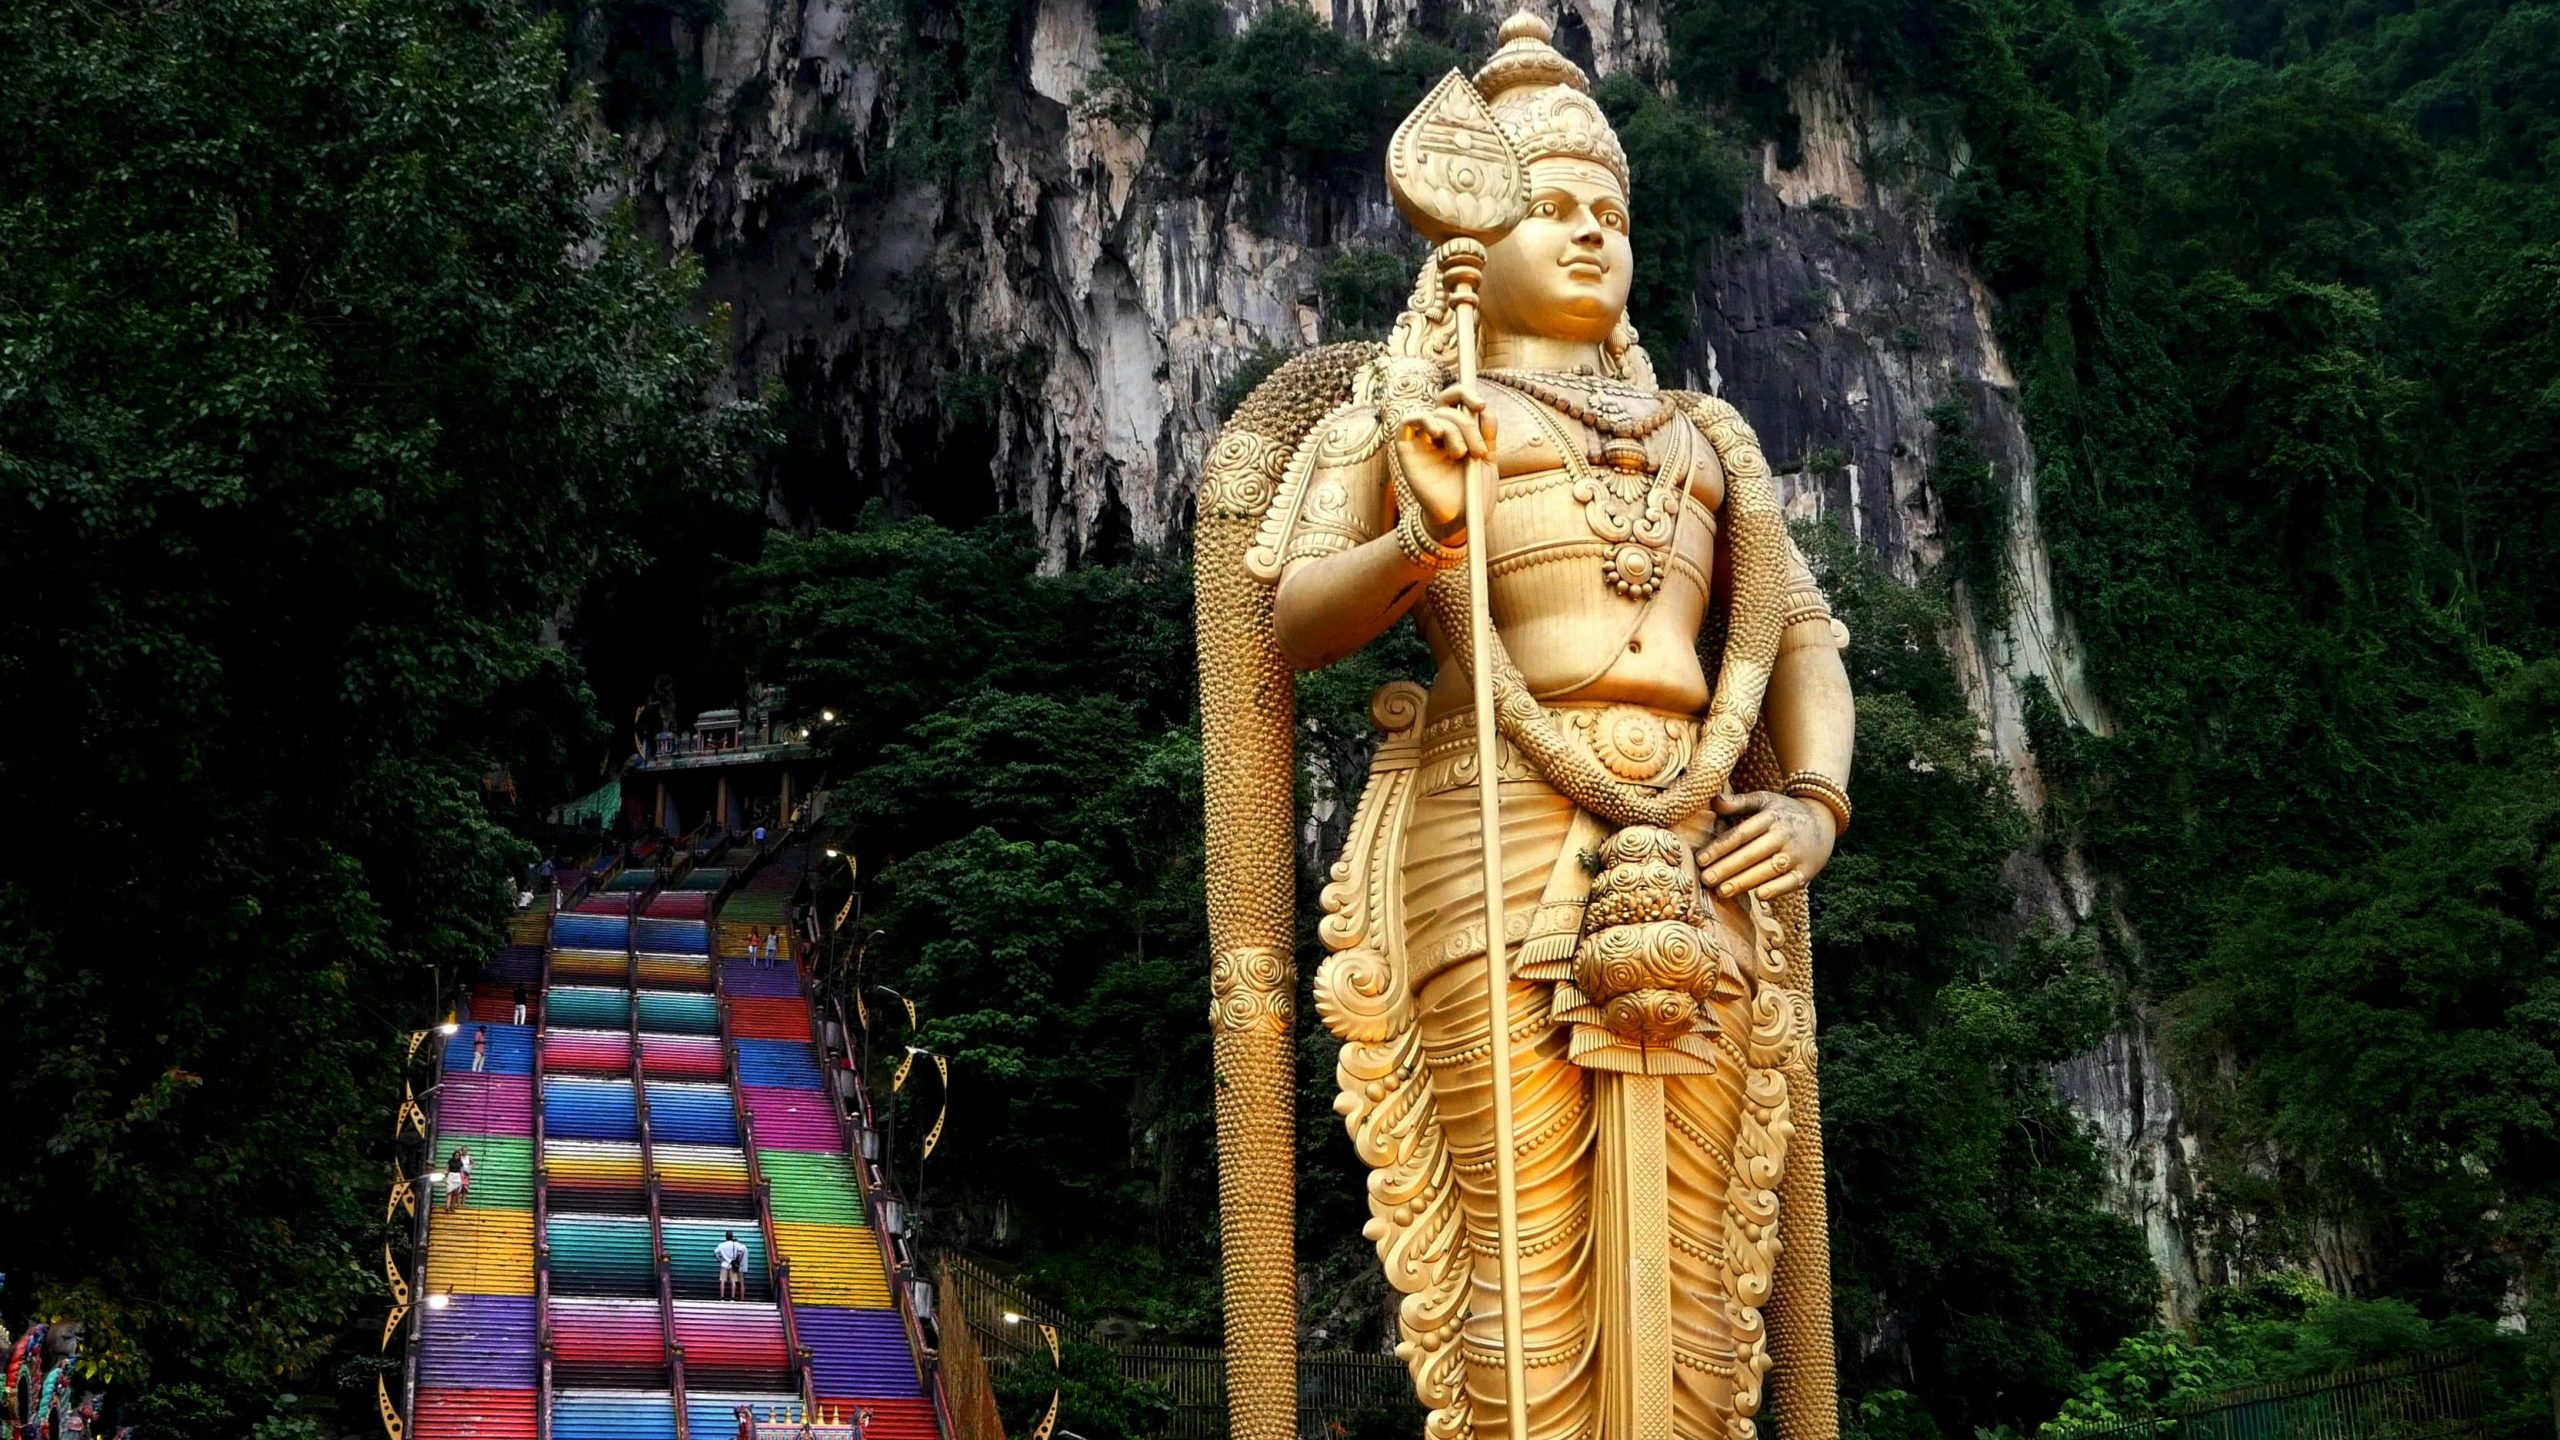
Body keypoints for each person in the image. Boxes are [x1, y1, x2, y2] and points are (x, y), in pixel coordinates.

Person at [1198, 18, 1858, 1440]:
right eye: (1549, 207)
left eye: (1610, 214)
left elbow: (1798, 633)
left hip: (1698, 838)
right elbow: (1293, 619)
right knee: (1520, 1242)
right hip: (1488, 817)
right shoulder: (1414, 408)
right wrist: (1421, 538)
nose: (1588, 234)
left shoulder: (1704, 435)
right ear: (1471, 233)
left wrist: (1812, 797)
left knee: (1703, 1271)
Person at [715, 1230, 749, 1299]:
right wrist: (738, 1260)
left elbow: (716, 1252)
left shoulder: (721, 1245)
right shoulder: (736, 1244)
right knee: (733, 1281)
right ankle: (732, 1297)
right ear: (732, 1236)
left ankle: (722, 1297)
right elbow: (742, 1250)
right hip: (732, 1265)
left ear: (726, 1237)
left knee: (722, 1281)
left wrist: (720, 1260)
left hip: (724, 1264)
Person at [445, 1147, 472, 1212]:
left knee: (455, 1193)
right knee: (449, 1192)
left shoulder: (460, 1162)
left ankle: (452, 1207)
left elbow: (461, 1171)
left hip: (457, 1177)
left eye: (458, 1156)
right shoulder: (450, 1161)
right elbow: (447, 1169)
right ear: (453, 1155)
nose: (456, 1157)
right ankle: (447, 1206)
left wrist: (462, 1179)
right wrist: (445, 1175)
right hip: (451, 1176)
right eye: (455, 1155)